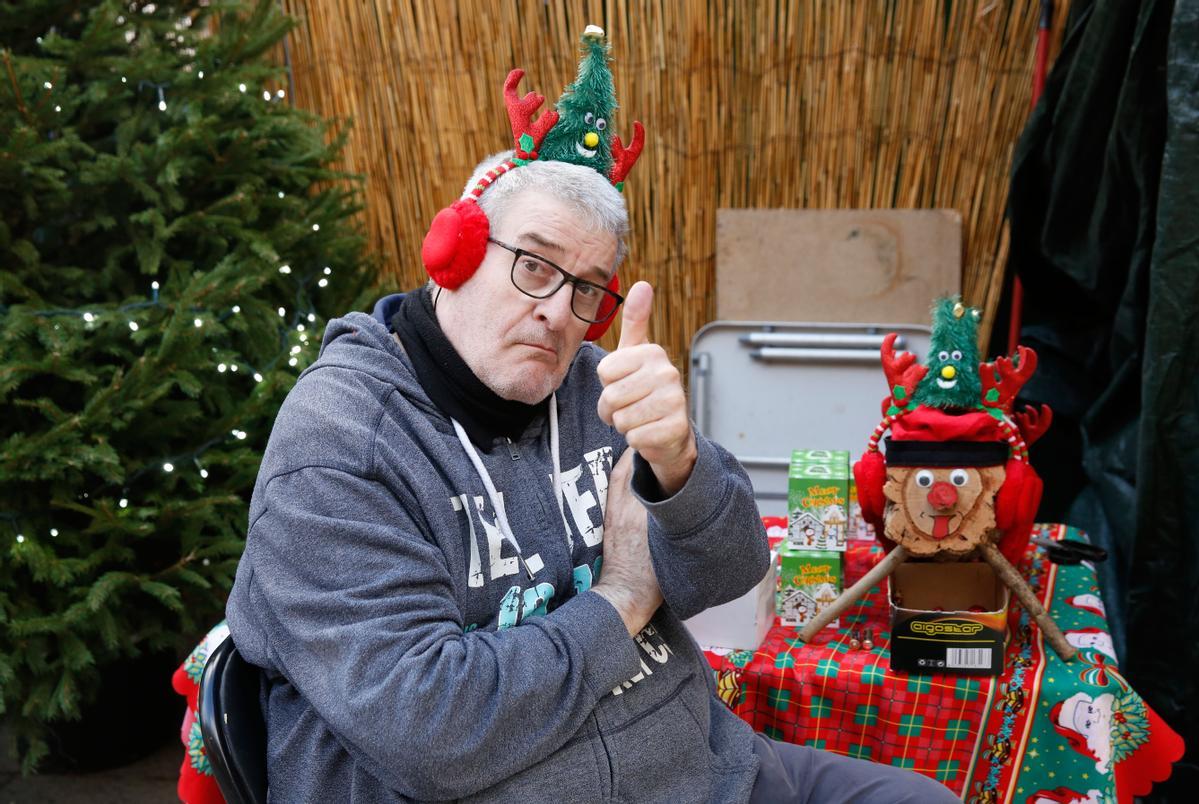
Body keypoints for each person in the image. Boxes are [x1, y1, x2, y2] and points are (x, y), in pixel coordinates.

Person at [225, 28, 960, 803]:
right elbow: (429, 731)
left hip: (704, 771)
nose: (557, 313)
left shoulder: (590, 389)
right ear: (456, 253)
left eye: (587, 289)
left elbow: (734, 571)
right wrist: (625, 597)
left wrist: (679, 464)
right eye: (534, 265)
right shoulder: (343, 445)